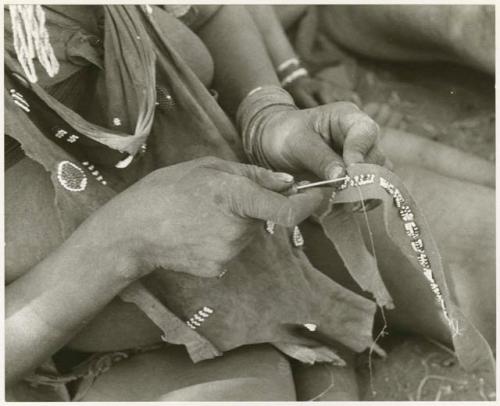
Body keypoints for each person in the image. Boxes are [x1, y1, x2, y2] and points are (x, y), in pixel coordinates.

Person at [5, 4, 385, 401]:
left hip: (275, 240)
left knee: (453, 248)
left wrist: (266, 114)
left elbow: (210, 12)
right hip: (97, 342)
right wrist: (124, 244)